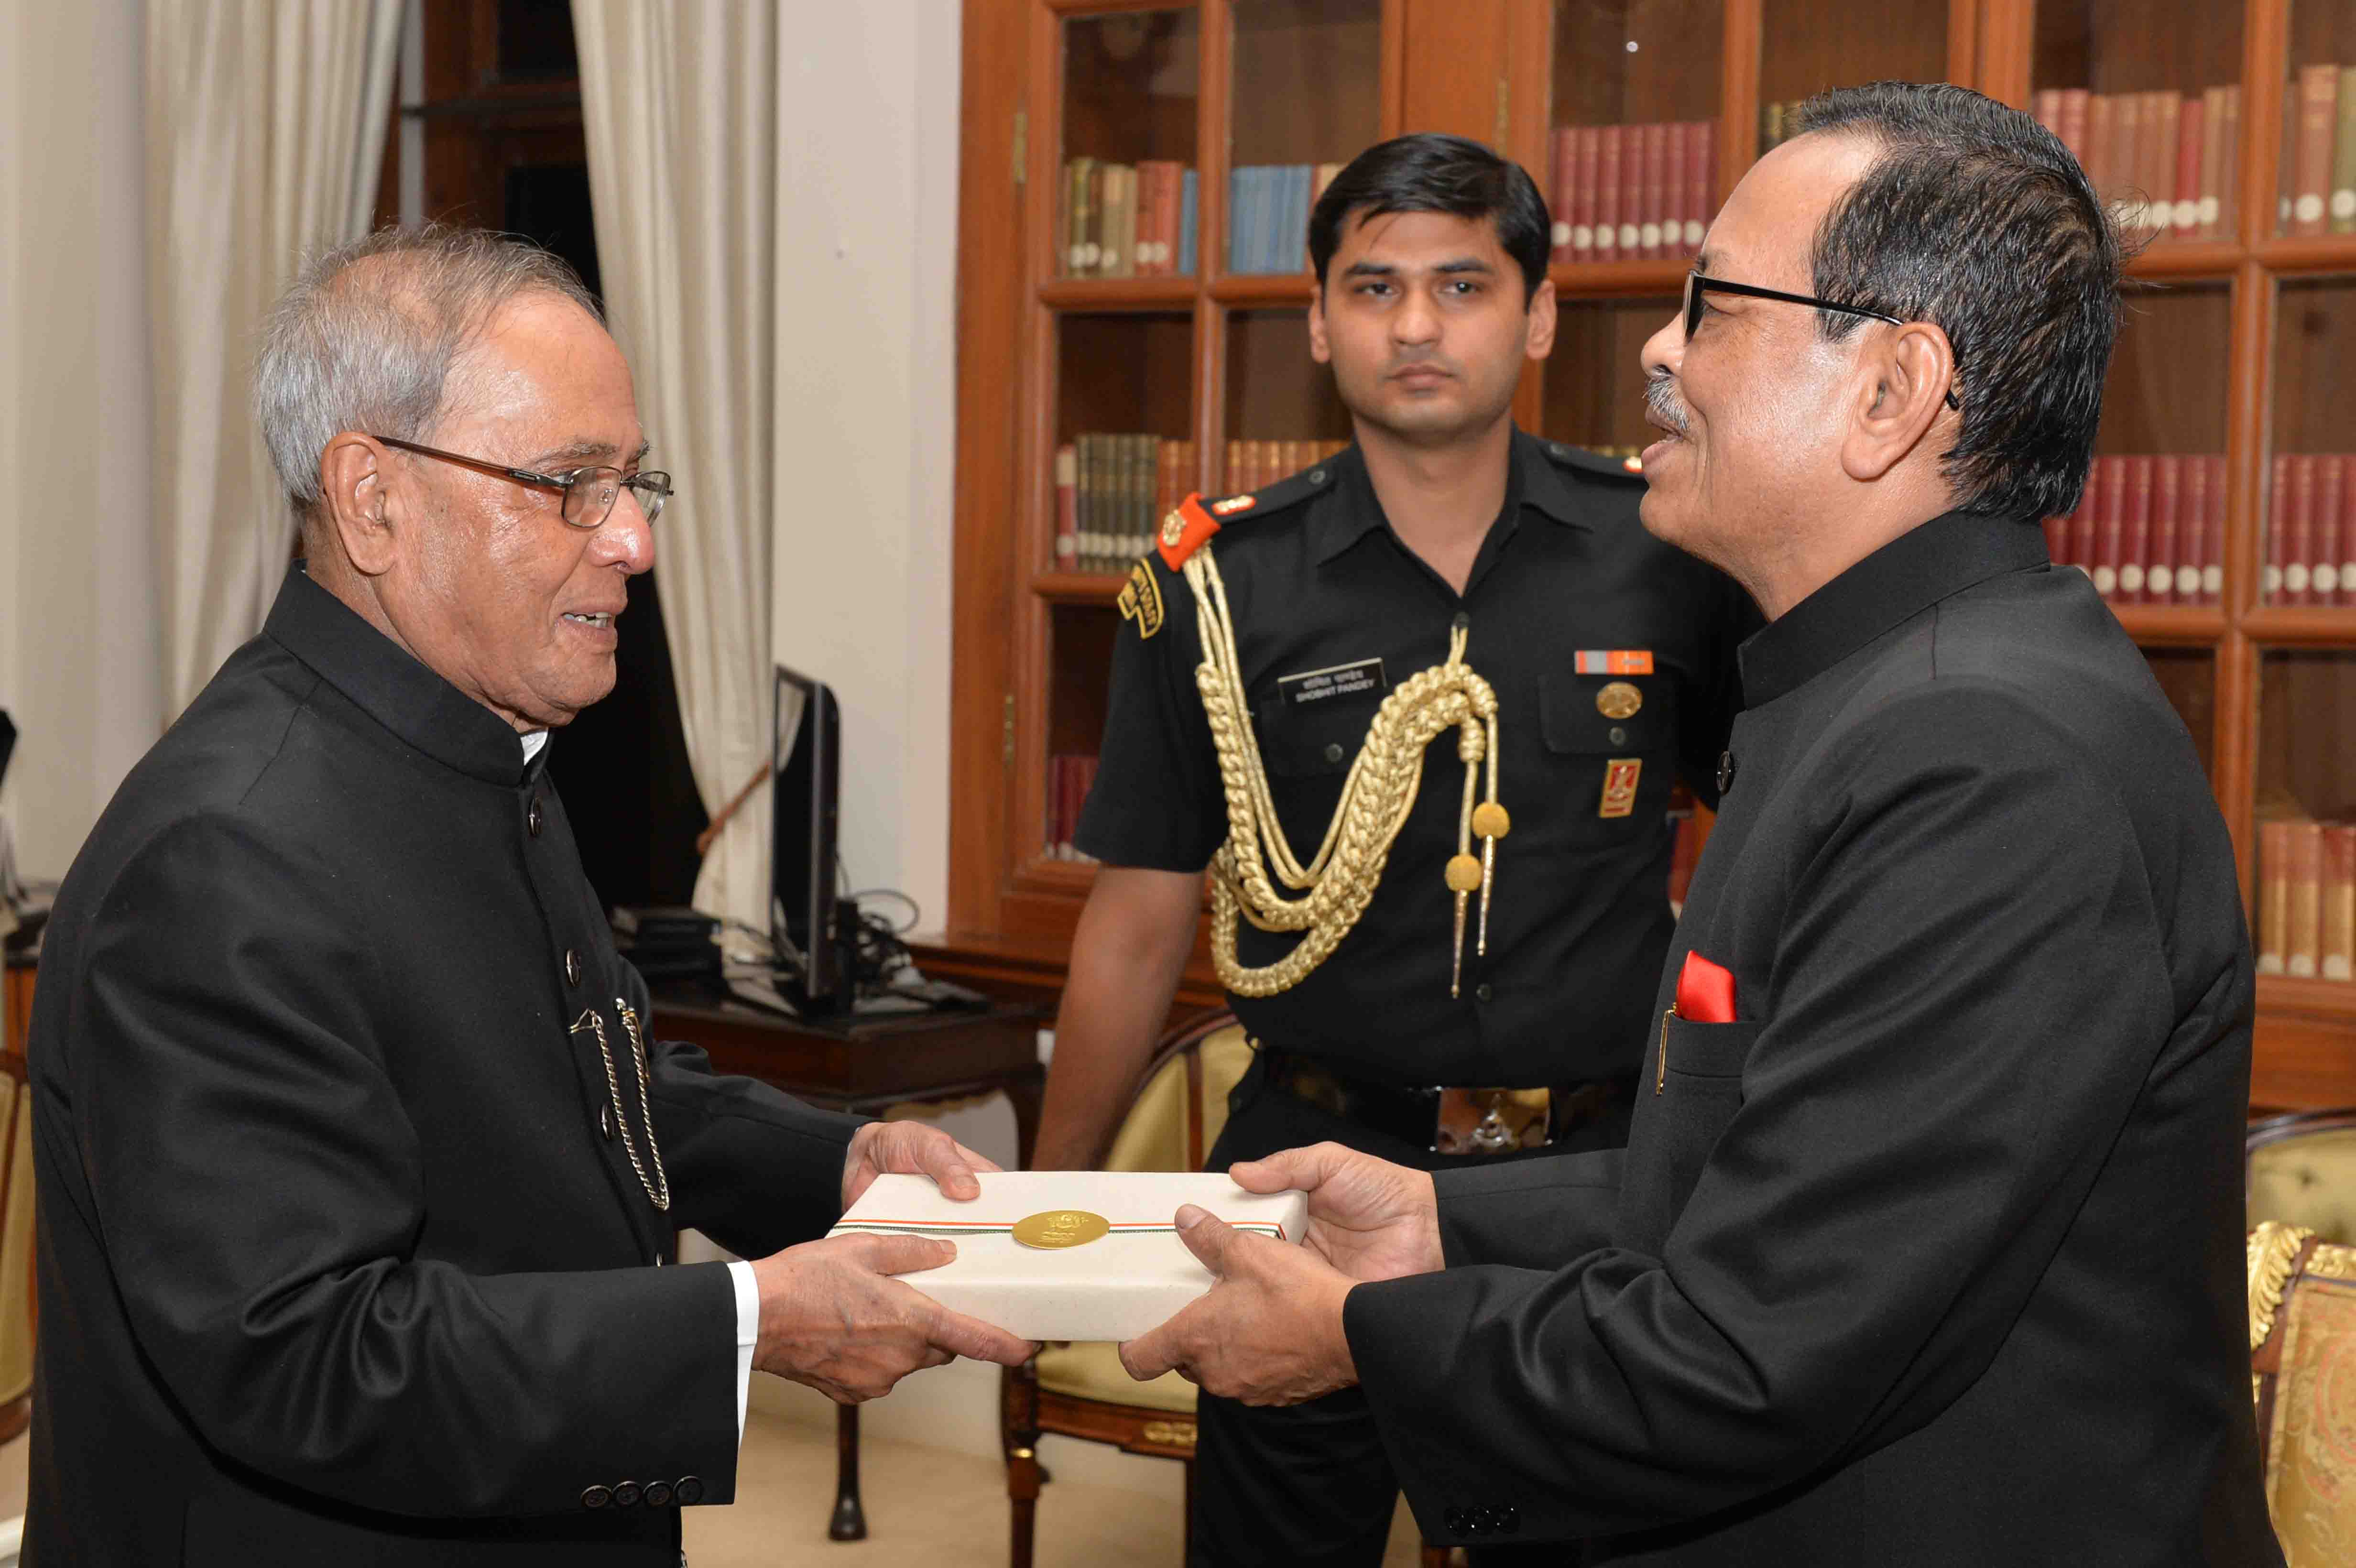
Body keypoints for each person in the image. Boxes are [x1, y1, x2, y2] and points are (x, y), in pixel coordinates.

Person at [1119, 82, 2285, 1565]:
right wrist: (1446, 1225)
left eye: (1714, 304)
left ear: (1893, 390)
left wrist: (1364, 1333)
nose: (1659, 349)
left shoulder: (1981, 759)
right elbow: (1783, 1169)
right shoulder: (1880, 685)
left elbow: (1752, 1350)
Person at [23, 225, 1034, 1565]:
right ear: (372, 499)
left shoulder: (473, 747)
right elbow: (308, 1357)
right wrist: (744, 1326)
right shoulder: (224, 855)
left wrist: (830, 1164)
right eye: (568, 483)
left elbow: (561, 1082)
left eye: (633, 481)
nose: (632, 540)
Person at [1038, 133, 1749, 1565]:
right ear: (1317, 321)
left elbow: (1771, 853)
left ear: (1539, 317)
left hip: (1586, 1184)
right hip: (1304, 1169)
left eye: (1462, 285)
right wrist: (1050, 1209)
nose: (1415, 326)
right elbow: (1136, 921)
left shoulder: (1666, 553)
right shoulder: (1221, 587)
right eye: (1372, 287)